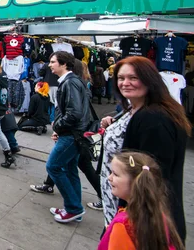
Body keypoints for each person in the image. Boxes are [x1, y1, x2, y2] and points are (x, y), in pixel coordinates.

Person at [114, 56, 191, 241]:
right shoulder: (140, 110)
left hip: (146, 221)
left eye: (133, 78)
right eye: (120, 78)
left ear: (150, 80)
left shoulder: (154, 119)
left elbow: (150, 176)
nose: (125, 83)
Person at [98, 151, 184, 250]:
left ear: (134, 182)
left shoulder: (123, 224)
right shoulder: (157, 213)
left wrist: (115, 231)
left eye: (115, 174)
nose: (109, 178)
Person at [46, 51, 92, 223]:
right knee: (70, 169)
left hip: (72, 134)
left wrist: (58, 126)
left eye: (53, 62)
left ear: (64, 64)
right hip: (74, 133)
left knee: (54, 167)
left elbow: (74, 113)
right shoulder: (73, 82)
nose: (50, 65)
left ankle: (74, 208)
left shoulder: (70, 83)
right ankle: (73, 208)